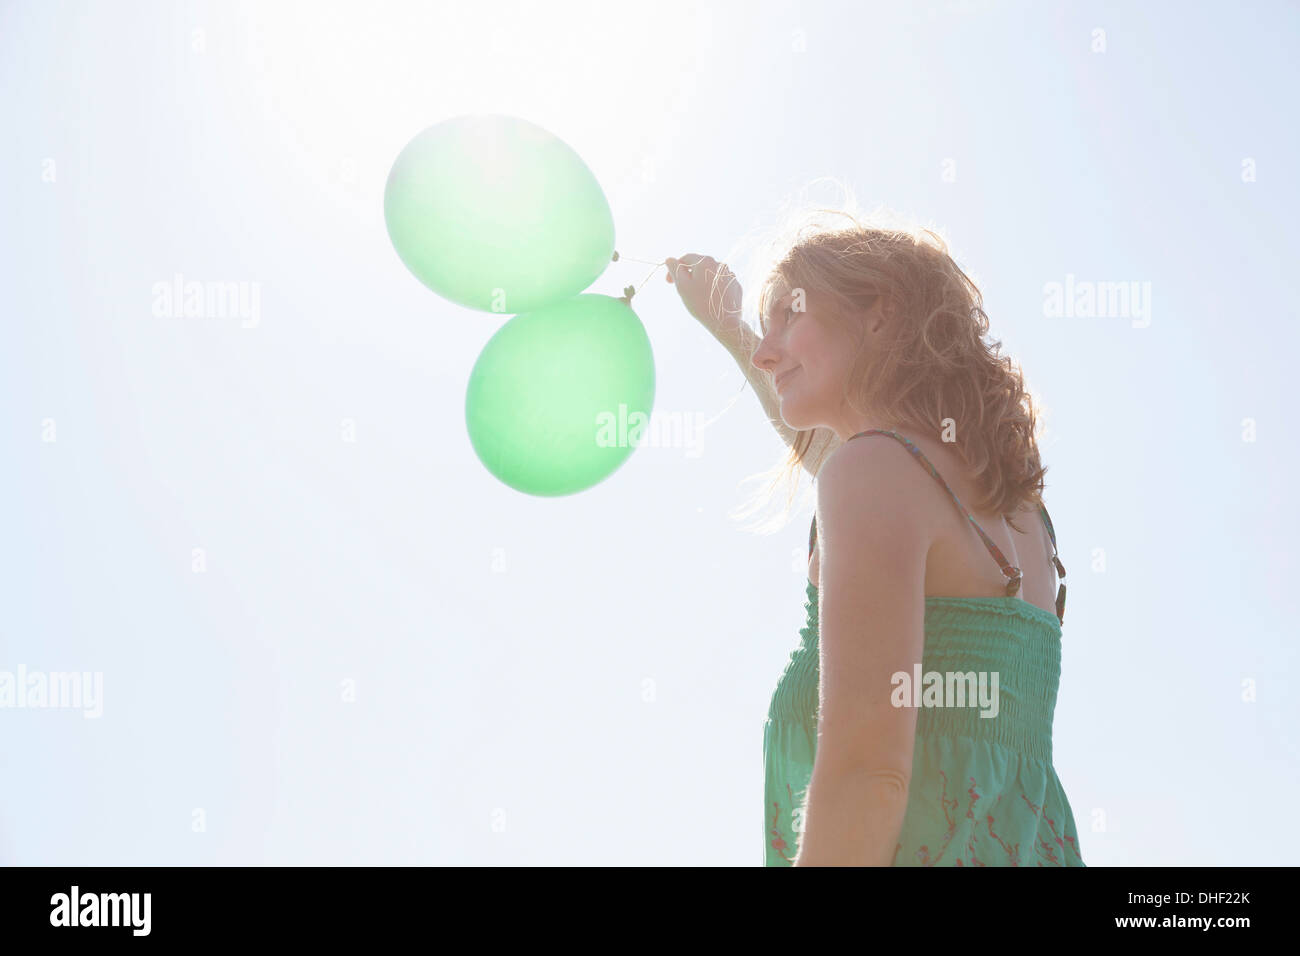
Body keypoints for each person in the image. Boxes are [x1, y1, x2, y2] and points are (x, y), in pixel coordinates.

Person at [665, 220, 1084, 866]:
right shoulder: (1021, 515)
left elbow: (869, 776)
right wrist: (725, 321)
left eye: (788, 317)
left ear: (880, 315)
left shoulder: (873, 472)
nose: (765, 352)